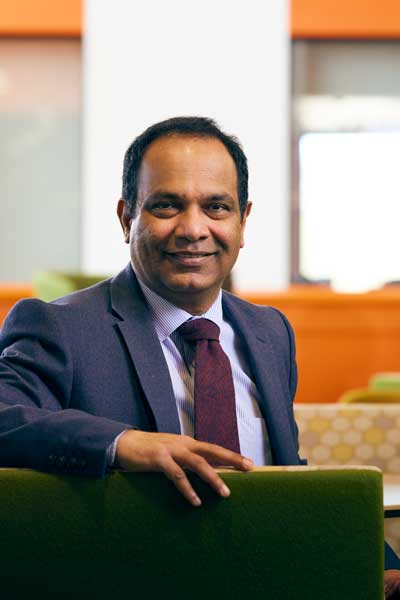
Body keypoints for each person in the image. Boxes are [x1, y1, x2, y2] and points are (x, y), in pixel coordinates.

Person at [0, 116, 399, 595]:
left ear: (242, 221)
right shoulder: (58, 326)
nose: (193, 229)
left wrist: (377, 562)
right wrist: (124, 444)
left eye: (216, 207)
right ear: (127, 218)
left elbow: (285, 469)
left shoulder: (269, 331)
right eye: (167, 205)